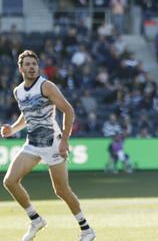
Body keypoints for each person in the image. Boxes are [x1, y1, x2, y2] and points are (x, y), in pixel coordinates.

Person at [1, 50, 96, 241]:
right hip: (33, 144)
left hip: (53, 144)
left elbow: (68, 110)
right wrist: (13, 129)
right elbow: (26, 115)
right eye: (27, 64)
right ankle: (36, 220)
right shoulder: (18, 91)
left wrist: (65, 140)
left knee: (61, 190)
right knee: (10, 181)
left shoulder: (47, 86)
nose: (31, 67)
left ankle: (86, 230)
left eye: (34, 64)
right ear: (20, 68)